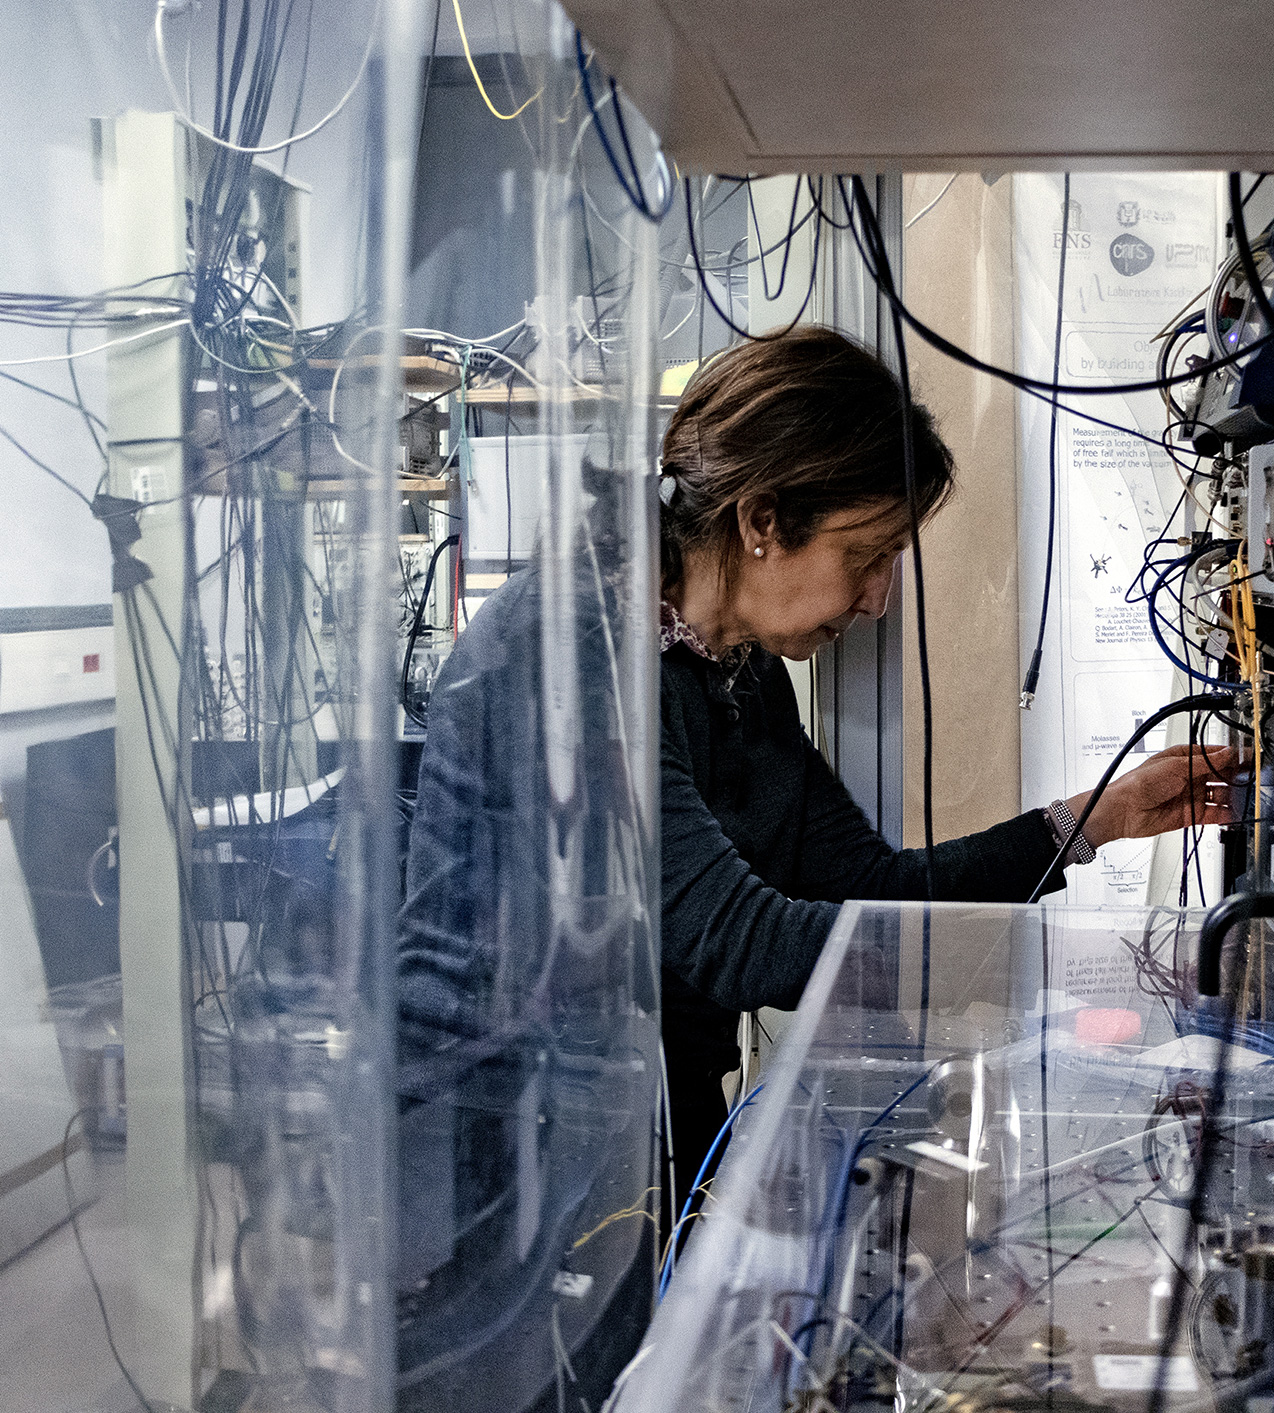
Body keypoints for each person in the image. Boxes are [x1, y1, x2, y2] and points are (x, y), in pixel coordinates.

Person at [396, 325, 1231, 1410]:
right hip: (499, 1150)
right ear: (760, 521)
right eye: (865, 555)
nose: (876, 599)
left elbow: (863, 893)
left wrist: (1089, 822)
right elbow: (743, 942)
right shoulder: (569, 655)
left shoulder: (730, 671)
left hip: (630, 1118)